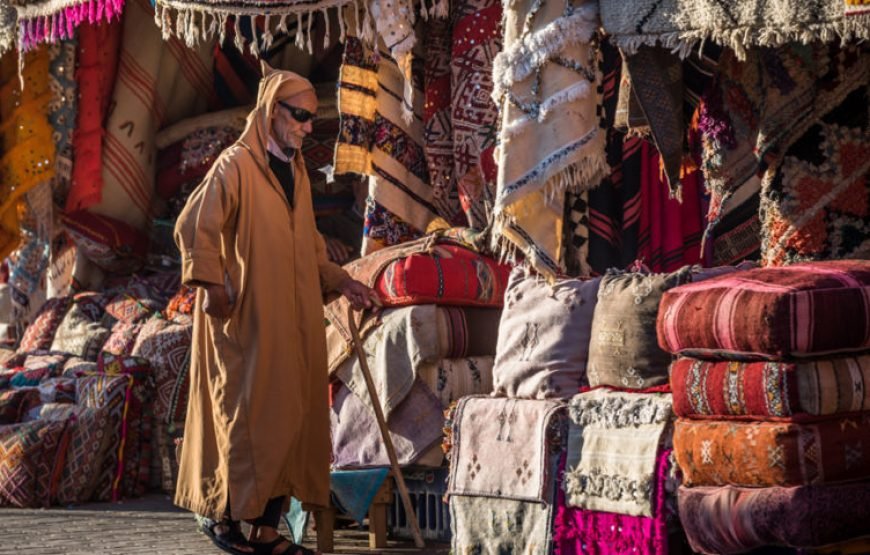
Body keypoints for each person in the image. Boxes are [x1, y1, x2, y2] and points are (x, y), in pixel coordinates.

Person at [173, 64, 376, 555]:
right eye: (301, 117)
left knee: (290, 418)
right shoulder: (235, 164)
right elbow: (192, 225)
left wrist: (340, 280)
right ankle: (220, 518)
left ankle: (267, 532)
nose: (308, 127)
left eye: (311, 119)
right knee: (241, 419)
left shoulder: (298, 171)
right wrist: (212, 283)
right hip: (243, 321)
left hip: (290, 319)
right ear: (271, 112)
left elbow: (306, 241)